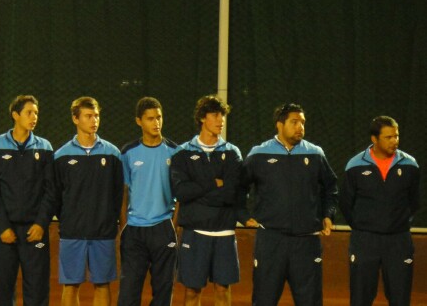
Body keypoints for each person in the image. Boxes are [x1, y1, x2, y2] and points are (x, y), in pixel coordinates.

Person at [239, 103, 338, 305]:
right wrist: (242, 215)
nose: (300, 126)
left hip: (307, 242)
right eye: (294, 122)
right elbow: (239, 187)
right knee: (264, 300)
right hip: (271, 241)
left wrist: (328, 214)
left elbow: (331, 187)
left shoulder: (316, 153)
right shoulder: (258, 154)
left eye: (302, 122)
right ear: (279, 125)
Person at [339, 116, 420, 306]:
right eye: (388, 137)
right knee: (361, 298)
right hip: (365, 241)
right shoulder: (355, 165)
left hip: (399, 241)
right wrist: (363, 226)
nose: (394, 141)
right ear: (374, 139)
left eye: (396, 136)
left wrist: (397, 224)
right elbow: (345, 204)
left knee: (400, 298)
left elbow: (414, 202)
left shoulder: (410, 165)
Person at [170, 95, 243, 306]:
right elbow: (181, 192)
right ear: (203, 118)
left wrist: (199, 191)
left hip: (224, 233)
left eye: (222, 116)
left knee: (222, 289)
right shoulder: (182, 153)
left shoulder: (232, 152)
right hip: (195, 233)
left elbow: (231, 193)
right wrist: (214, 183)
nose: (221, 120)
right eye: (215, 115)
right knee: (192, 291)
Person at [52, 96, 124, 306]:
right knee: (71, 285)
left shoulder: (112, 154)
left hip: (103, 232)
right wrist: (67, 221)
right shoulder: (61, 156)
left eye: (97, 116)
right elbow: (56, 195)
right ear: (76, 119)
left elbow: (118, 193)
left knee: (102, 284)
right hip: (72, 232)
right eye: (88, 116)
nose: (94, 120)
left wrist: (114, 223)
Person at [0, 95, 54, 306]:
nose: (34, 117)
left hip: (35, 231)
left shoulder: (45, 147)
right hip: (5, 233)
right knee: (4, 290)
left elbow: (51, 191)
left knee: (38, 288)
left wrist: (41, 224)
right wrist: (2, 227)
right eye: (29, 113)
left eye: (36, 113)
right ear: (15, 115)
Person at [118, 97, 180, 306]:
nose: (156, 123)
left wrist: (175, 224)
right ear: (139, 121)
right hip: (134, 231)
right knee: (128, 293)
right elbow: (123, 192)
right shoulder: (127, 152)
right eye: (150, 119)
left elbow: (181, 193)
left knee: (163, 292)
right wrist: (124, 225)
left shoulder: (175, 152)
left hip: (163, 228)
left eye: (159, 118)